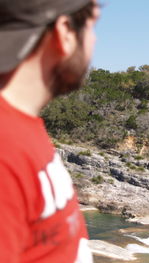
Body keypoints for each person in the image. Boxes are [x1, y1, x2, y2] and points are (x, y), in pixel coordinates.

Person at [0, 0, 100, 262]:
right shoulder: (5, 147)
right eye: (92, 26)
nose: (95, 41)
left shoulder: (21, 125)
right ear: (65, 32)